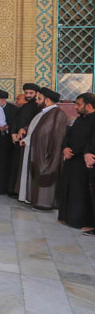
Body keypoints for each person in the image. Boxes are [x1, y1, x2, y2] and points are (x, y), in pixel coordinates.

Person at [19, 87, 67, 210]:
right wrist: (25, 130)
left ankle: (44, 203)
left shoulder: (57, 114)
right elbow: (36, 128)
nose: (36, 101)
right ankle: (32, 199)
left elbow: (54, 136)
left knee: (45, 180)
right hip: (35, 150)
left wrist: (50, 154)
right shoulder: (43, 113)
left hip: (47, 154)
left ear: (47, 100)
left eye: (39, 99)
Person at [58, 93, 95, 229]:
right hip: (72, 160)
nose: (76, 107)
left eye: (79, 104)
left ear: (89, 105)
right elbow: (69, 135)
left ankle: (84, 222)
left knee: (82, 192)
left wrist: (83, 152)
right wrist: (65, 147)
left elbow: (91, 141)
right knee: (69, 189)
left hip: (84, 161)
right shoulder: (79, 119)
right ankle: (68, 217)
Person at [9, 83, 42, 196]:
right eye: (26, 93)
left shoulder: (39, 107)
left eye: (30, 93)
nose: (28, 95)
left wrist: (24, 131)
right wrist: (13, 133)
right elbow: (16, 120)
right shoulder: (25, 106)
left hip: (28, 142)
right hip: (18, 140)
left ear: (36, 94)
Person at [0, 88, 19, 194]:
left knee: (5, 164)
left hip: (7, 142)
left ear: (3, 100)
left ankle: (3, 188)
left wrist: (7, 128)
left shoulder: (13, 110)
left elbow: (16, 124)